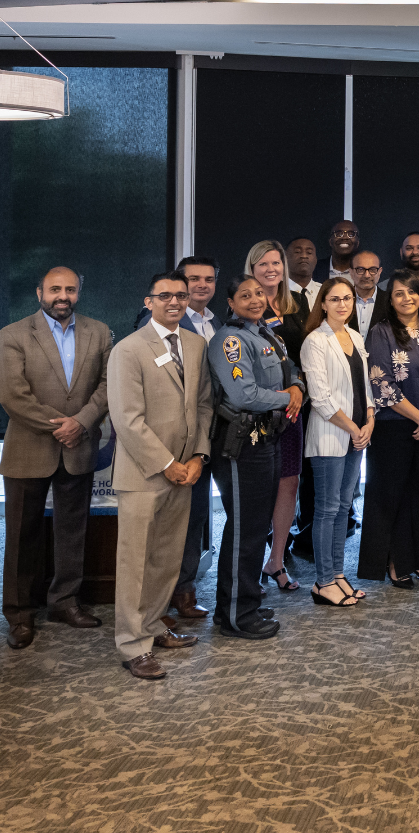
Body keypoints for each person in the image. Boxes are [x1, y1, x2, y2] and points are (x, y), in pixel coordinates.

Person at [107, 272, 212, 679]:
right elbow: (127, 420)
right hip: (145, 474)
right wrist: (168, 463)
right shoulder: (128, 350)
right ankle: (133, 645)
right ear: (148, 301)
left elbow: (203, 406)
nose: (174, 302)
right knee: (136, 563)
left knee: (167, 559)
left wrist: (199, 456)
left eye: (181, 296)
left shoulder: (196, 344)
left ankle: (152, 627)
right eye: (165, 295)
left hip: (186, 471)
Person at [0, 267, 112, 650]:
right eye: (54, 289)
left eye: (70, 289)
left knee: (72, 531)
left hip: (78, 446)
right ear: (39, 293)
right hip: (29, 448)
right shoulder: (12, 335)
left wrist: (80, 422)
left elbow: (108, 384)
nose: (62, 296)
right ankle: (19, 614)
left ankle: (65, 602)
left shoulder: (98, 332)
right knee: (20, 535)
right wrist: (60, 426)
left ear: (79, 292)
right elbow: (13, 396)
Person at [207, 274, 305, 640]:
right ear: (230, 303)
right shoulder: (230, 340)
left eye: (259, 293)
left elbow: (291, 370)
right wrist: (289, 398)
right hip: (241, 444)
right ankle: (236, 615)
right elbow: (244, 394)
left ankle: (237, 603)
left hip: (268, 438)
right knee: (245, 531)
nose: (254, 299)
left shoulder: (267, 334)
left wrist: (295, 385)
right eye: (244, 295)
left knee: (253, 528)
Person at [359, 271, 419, 586]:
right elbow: (380, 381)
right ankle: (396, 561)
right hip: (393, 426)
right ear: (391, 298)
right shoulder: (381, 332)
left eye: (412, 292)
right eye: (399, 293)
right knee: (393, 495)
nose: (406, 298)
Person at [301, 278, 375, 607]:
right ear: (323, 303)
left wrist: (370, 419)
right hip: (332, 435)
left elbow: (365, 387)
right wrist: (353, 427)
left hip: (357, 435)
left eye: (347, 298)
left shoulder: (356, 336)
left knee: (345, 507)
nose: (342, 304)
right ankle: (323, 581)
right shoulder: (315, 342)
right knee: (327, 509)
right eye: (335, 299)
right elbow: (320, 398)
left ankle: (338, 575)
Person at [246, 240, 310, 589]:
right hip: (258, 410)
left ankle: (276, 561)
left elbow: (305, 353)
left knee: (289, 483)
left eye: (276, 263)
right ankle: (252, 562)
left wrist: (298, 388)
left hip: (294, 407)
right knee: (260, 488)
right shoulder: (245, 305)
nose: (271, 269)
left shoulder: (296, 304)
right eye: (263, 264)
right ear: (251, 269)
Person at [164, 257, 222, 620]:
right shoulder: (160, 321)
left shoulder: (217, 323)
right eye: (192, 279)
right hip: (173, 442)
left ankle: (184, 590)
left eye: (208, 279)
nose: (201, 285)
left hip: (210, 435)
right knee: (169, 522)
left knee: (196, 516)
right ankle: (161, 597)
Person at [349, 250, 389, 339]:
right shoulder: (342, 301)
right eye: (360, 269)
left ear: (380, 272)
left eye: (373, 270)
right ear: (351, 272)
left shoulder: (390, 302)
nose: (367, 275)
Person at [287, 237, 321, 306]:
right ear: (285, 258)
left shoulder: (325, 292)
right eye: (297, 252)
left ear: (316, 260)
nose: (304, 256)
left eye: (309, 252)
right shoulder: (275, 292)